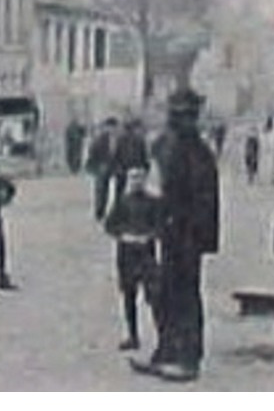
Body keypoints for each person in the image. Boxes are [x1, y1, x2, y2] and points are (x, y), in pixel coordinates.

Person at [130, 88, 218, 383]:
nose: (179, 120)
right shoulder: (168, 147)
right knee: (164, 293)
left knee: (186, 295)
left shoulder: (199, 153)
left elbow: (205, 201)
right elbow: (157, 188)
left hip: (187, 236)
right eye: (176, 114)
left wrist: (199, 237)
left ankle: (189, 357)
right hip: (168, 233)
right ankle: (166, 350)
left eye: (184, 115)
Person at [102, 164, 161, 352]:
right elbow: (110, 225)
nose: (137, 182)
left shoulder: (153, 202)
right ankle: (133, 335)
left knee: (154, 296)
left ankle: (162, 335)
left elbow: (160, 225)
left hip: (146, 254)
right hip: (126, 254)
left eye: (140, 178)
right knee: (129, 296)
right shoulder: (122, 202)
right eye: (133, 178)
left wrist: (149, 236)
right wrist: (123, 235)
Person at [86, 117, 122, 220]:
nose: (112, 130)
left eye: (114, 127)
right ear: (106, 128)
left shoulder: (121, 139)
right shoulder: (99, 140)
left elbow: (123, 153)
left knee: (119, 190)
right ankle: (100, 212)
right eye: (110, 127)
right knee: (101, 191)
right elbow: (92, 155)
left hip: (116, 167)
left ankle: (117, 212)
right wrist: (96, 168)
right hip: (102, 168)